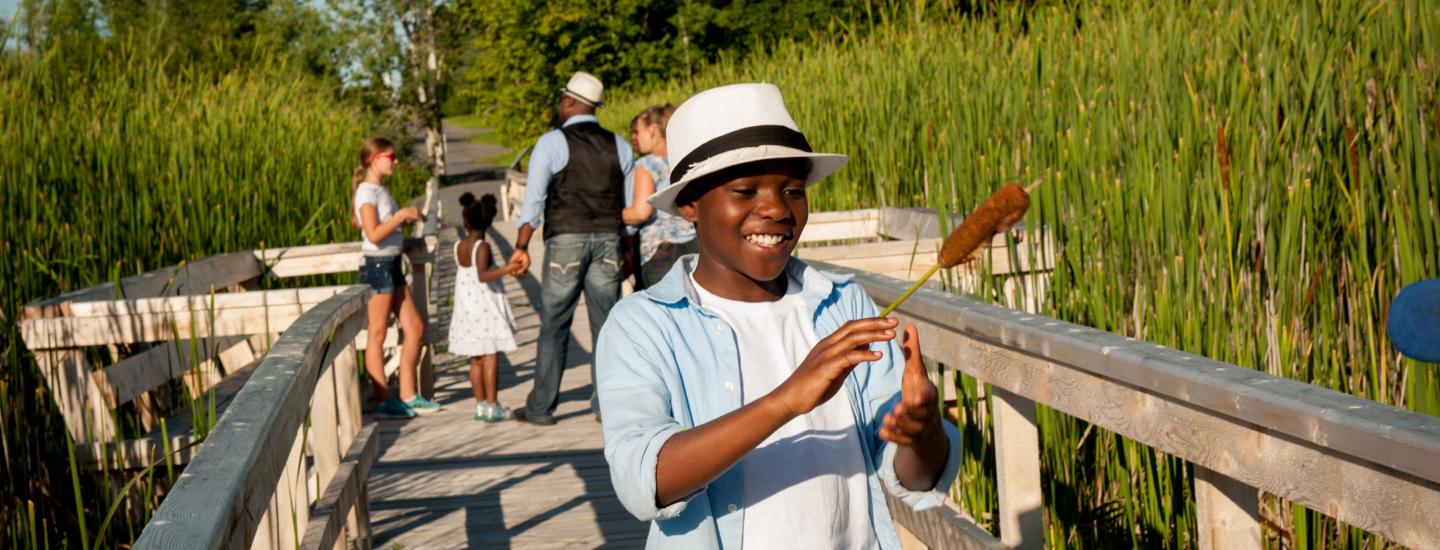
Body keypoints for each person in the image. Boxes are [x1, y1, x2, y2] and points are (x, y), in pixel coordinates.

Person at [596, 83, 961, 549]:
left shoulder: (844, 305)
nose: (776, 209)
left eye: (793, 190)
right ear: (689, 204)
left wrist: (923, 428)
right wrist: (786, 400)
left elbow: (915, 476)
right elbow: (642, 481)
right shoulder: (644, 325)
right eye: (744, 190)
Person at [507, 72, 635, 426]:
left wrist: (521, 245)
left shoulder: (551, 143)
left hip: (565, 240)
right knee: (605, 326)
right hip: (608, 239)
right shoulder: (620, 145)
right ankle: (604, 406)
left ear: (568, 102)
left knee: (554, 324)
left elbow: (533, 202)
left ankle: (541, 407)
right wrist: (625, 247)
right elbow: (628, 206)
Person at [351, 137, 441, 418]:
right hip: (376, 266)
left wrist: (406, 239)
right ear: (374, 159)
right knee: (377, 334)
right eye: (391, 156)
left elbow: (384, 235)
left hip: (391, 263)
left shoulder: (380, 190)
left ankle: (408, 394)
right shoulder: (366, 193)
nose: (395, 160)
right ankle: (383, 401)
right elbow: (374, 234)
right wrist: (402, 216)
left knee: (414, 327)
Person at [450, 193, 521, 422]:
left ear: (465, 221)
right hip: (484, 309)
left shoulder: (459, 246)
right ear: (489, 222)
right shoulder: (483, 247)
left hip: (467, 311)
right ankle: (492, 405)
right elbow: (483, 275)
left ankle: (480, 405)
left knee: (476, 359)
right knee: (490, 356)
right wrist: (508, 269)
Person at [620, 104, 698, 288]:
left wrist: (604, 215)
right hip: (694, 245)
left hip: (661, 250)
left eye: (637, 132)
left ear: (653, 131)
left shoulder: (647, 164)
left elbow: (641, 212)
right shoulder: (686, 161)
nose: (634, 138)